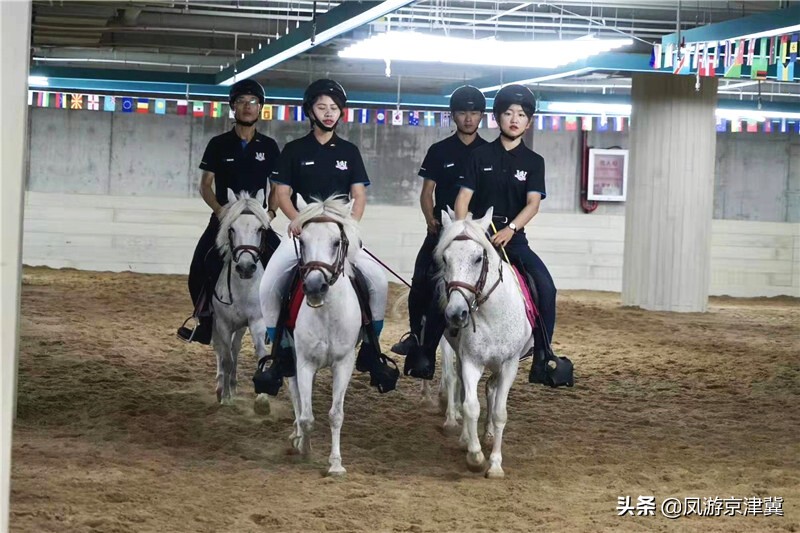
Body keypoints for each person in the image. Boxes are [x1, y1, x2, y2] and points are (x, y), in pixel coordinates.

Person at [258, 79, 389, 379]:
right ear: (310, 111)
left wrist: (350, 227)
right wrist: (296, 220)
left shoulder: (349, 151)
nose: (329, 113)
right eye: (322, 107)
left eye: (334, 108)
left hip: (339, 236)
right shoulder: (293, 150)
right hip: (302, 233)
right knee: (269, 284)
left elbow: (359, 194)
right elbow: (281, 193)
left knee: (377, 281)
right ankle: (280, 349)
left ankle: (371, 346)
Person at [453, 84, 559, 383]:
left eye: (521, 114)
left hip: (513, 240)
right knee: (444, 283)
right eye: (508, 113)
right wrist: (465, 234)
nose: (514, 119)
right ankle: (427, 344)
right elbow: (463, 198)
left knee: (547, 289)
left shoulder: (533, 162)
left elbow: (533, 204)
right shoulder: (479, 155)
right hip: (478, 236)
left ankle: (543, 354)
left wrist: (511, 229)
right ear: (497, 118)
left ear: (529, 122)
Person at [391, 85, 488, 380]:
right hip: (442, 230)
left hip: (477, 232)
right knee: (421, 279)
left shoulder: (489, 153)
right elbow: (426, 193)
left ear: (481, 116)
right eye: (463, 113)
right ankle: (418, 341)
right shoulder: (439, 151)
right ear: (454, 116)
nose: (468, 118)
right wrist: (429, 219)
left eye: (474, 113)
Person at [177, 78, 281, 344]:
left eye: (253, 102)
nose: (248, 107)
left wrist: (271, 213)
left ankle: (279, 324)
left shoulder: (269, 147)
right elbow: (205, 185)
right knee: (199, 264)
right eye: (242, 102)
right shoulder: (218, 144)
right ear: (233, 107)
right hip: (225, 220)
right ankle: (204, 319)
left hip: (258, 221)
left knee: (283, 263)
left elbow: (278, 186)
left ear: (260, 108)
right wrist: (220, 211)